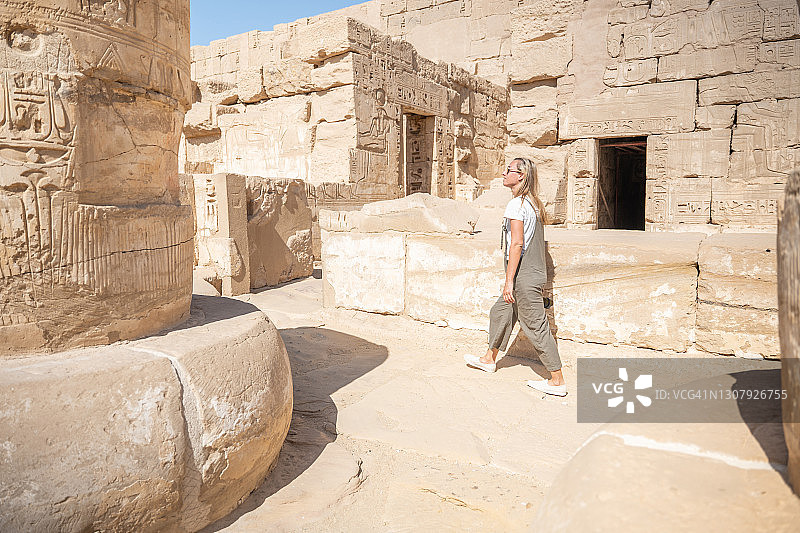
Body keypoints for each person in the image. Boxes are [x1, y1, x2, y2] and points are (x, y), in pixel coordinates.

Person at [463, 158, 566, 396]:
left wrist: (509, 281)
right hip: (531, 272)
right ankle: (489, 359)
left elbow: (517, 243)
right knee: (500, 312)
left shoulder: (516, 205)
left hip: (524, 276)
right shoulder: (532, 203)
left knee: (536, 327)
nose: (503, 173)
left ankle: (557, 380)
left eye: (508, 170)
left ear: (520, 175)